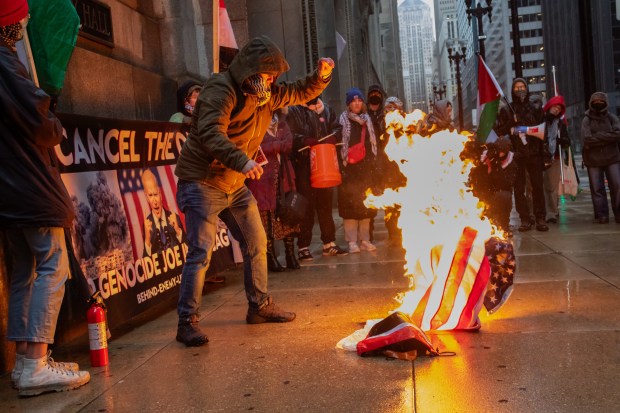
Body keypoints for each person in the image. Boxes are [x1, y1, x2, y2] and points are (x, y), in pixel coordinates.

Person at [173, 35, 334, 346]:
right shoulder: (220, 90)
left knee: (256, 242)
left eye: (274, 76)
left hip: (233, 183)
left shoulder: (266, 95)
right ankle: (187, 321)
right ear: (249, 70)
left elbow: (300, 91)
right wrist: (243, 161)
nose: (272, 81)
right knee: (200, 253)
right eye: (267, 74)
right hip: (202, 182)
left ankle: (259, 306)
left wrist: (321, 76)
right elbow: (209, 133)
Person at [0, 1, 90, 396]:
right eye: (20, 19)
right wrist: (53, 121)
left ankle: (24, 363)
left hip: (9, 189)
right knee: (54, 264)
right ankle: (35, 362)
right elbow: (37, 120)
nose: (24, 24)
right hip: (27, 180)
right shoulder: (5, 62)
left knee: (24, 270)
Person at [287, 96, 347, 260]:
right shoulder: (294, 110)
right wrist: (304, 140)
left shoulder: (326, 109)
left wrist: (333, 137)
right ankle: (303, 246)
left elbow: (338, 128)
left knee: (325, 204)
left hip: (324, 163)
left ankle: (329, 243)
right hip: (303, 164)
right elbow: (289, 134)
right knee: (306, 206)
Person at [246, 111, 300, 271]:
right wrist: (278, 145)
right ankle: (270, 258)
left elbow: (289, 144)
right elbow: (255, 147)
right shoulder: (255, 126)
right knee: (266, 217)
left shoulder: (282, 123)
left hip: (284, 176)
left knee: (288, 214)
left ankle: (291, 255)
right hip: (262, 178)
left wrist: (273, 146)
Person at [495, 78, 547, 232]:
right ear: (513, 90)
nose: (520, 89)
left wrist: (544, 153)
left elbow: (543, 131)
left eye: (522, 86)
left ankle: (540, 218)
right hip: (517, 155)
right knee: (519, 189)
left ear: (527, 88)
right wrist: (511, 122)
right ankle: (525, 218)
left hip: (534, 153)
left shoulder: (535, 107)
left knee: (537, 187)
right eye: (517, 87)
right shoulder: (507, 109)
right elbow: (500, 131)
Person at [338, 88, 379, 253]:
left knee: (365, 207)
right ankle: (352, 241)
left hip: (365, 170)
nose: (357, 103)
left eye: (359, 100)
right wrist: (343, 168)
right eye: (353, 101)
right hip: (349, 170)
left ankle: (365, 239)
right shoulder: (342, 120)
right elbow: (339, 145)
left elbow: (372, 145)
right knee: (350, 209)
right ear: (348, 104)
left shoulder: (368, 120)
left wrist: (373, 167)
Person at [581, 92, 620, 224]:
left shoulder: (612, 117)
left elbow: (617, 134)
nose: (598, 102)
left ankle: (619, 214)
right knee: (597, 189)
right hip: (593, 160)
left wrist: (597, 136)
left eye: (601, 100)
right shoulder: (586, 119)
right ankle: (601, 215)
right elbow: (587, 139)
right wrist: (607, 137)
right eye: (595, 100)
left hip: (612, 158)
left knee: (617, 186)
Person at [470, 137, 517, 235]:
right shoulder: (485, 158)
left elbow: (505, 184)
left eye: (501, 151)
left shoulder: (511, 163)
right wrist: (486, 163)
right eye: (497, 150)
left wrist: (496, 166)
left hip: (500, 192)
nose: (498, 153)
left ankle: (503, 226)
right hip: (486, 191)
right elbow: (478, 181)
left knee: (504, 196)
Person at [141, 169, 186, 257]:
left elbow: (188, 247)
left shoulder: (174, 217)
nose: (154, 201)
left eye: (156, 194)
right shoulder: (146, 225)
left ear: (160, 194)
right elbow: (145, 261)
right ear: (146, 197)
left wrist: (177, 230)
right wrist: (147, 239)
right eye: (150, 195)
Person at [542, 95, 571, 224]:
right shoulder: (540, 119)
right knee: (539, 186)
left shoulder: (560, 123)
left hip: (555, 157)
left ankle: (552, 213)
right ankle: (541, 211)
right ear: (549, 106)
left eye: (559, 108)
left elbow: (566, 139)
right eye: (555, 106)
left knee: (552, 187)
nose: (557, 110)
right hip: (540, 156)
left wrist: (563, 141)